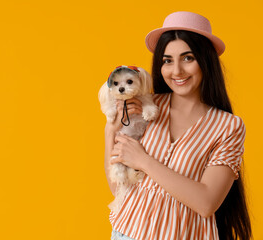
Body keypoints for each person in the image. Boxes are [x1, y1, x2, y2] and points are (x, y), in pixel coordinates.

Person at [104, 11, 252, 240]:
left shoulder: (228, 126)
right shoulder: (146, 107)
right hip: (127, 233)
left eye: (188, 58)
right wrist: (110, 130)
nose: (176, 71)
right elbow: (120, 187)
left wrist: (143, 160)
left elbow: (206, 203)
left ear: (206, 60)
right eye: (167, 60)